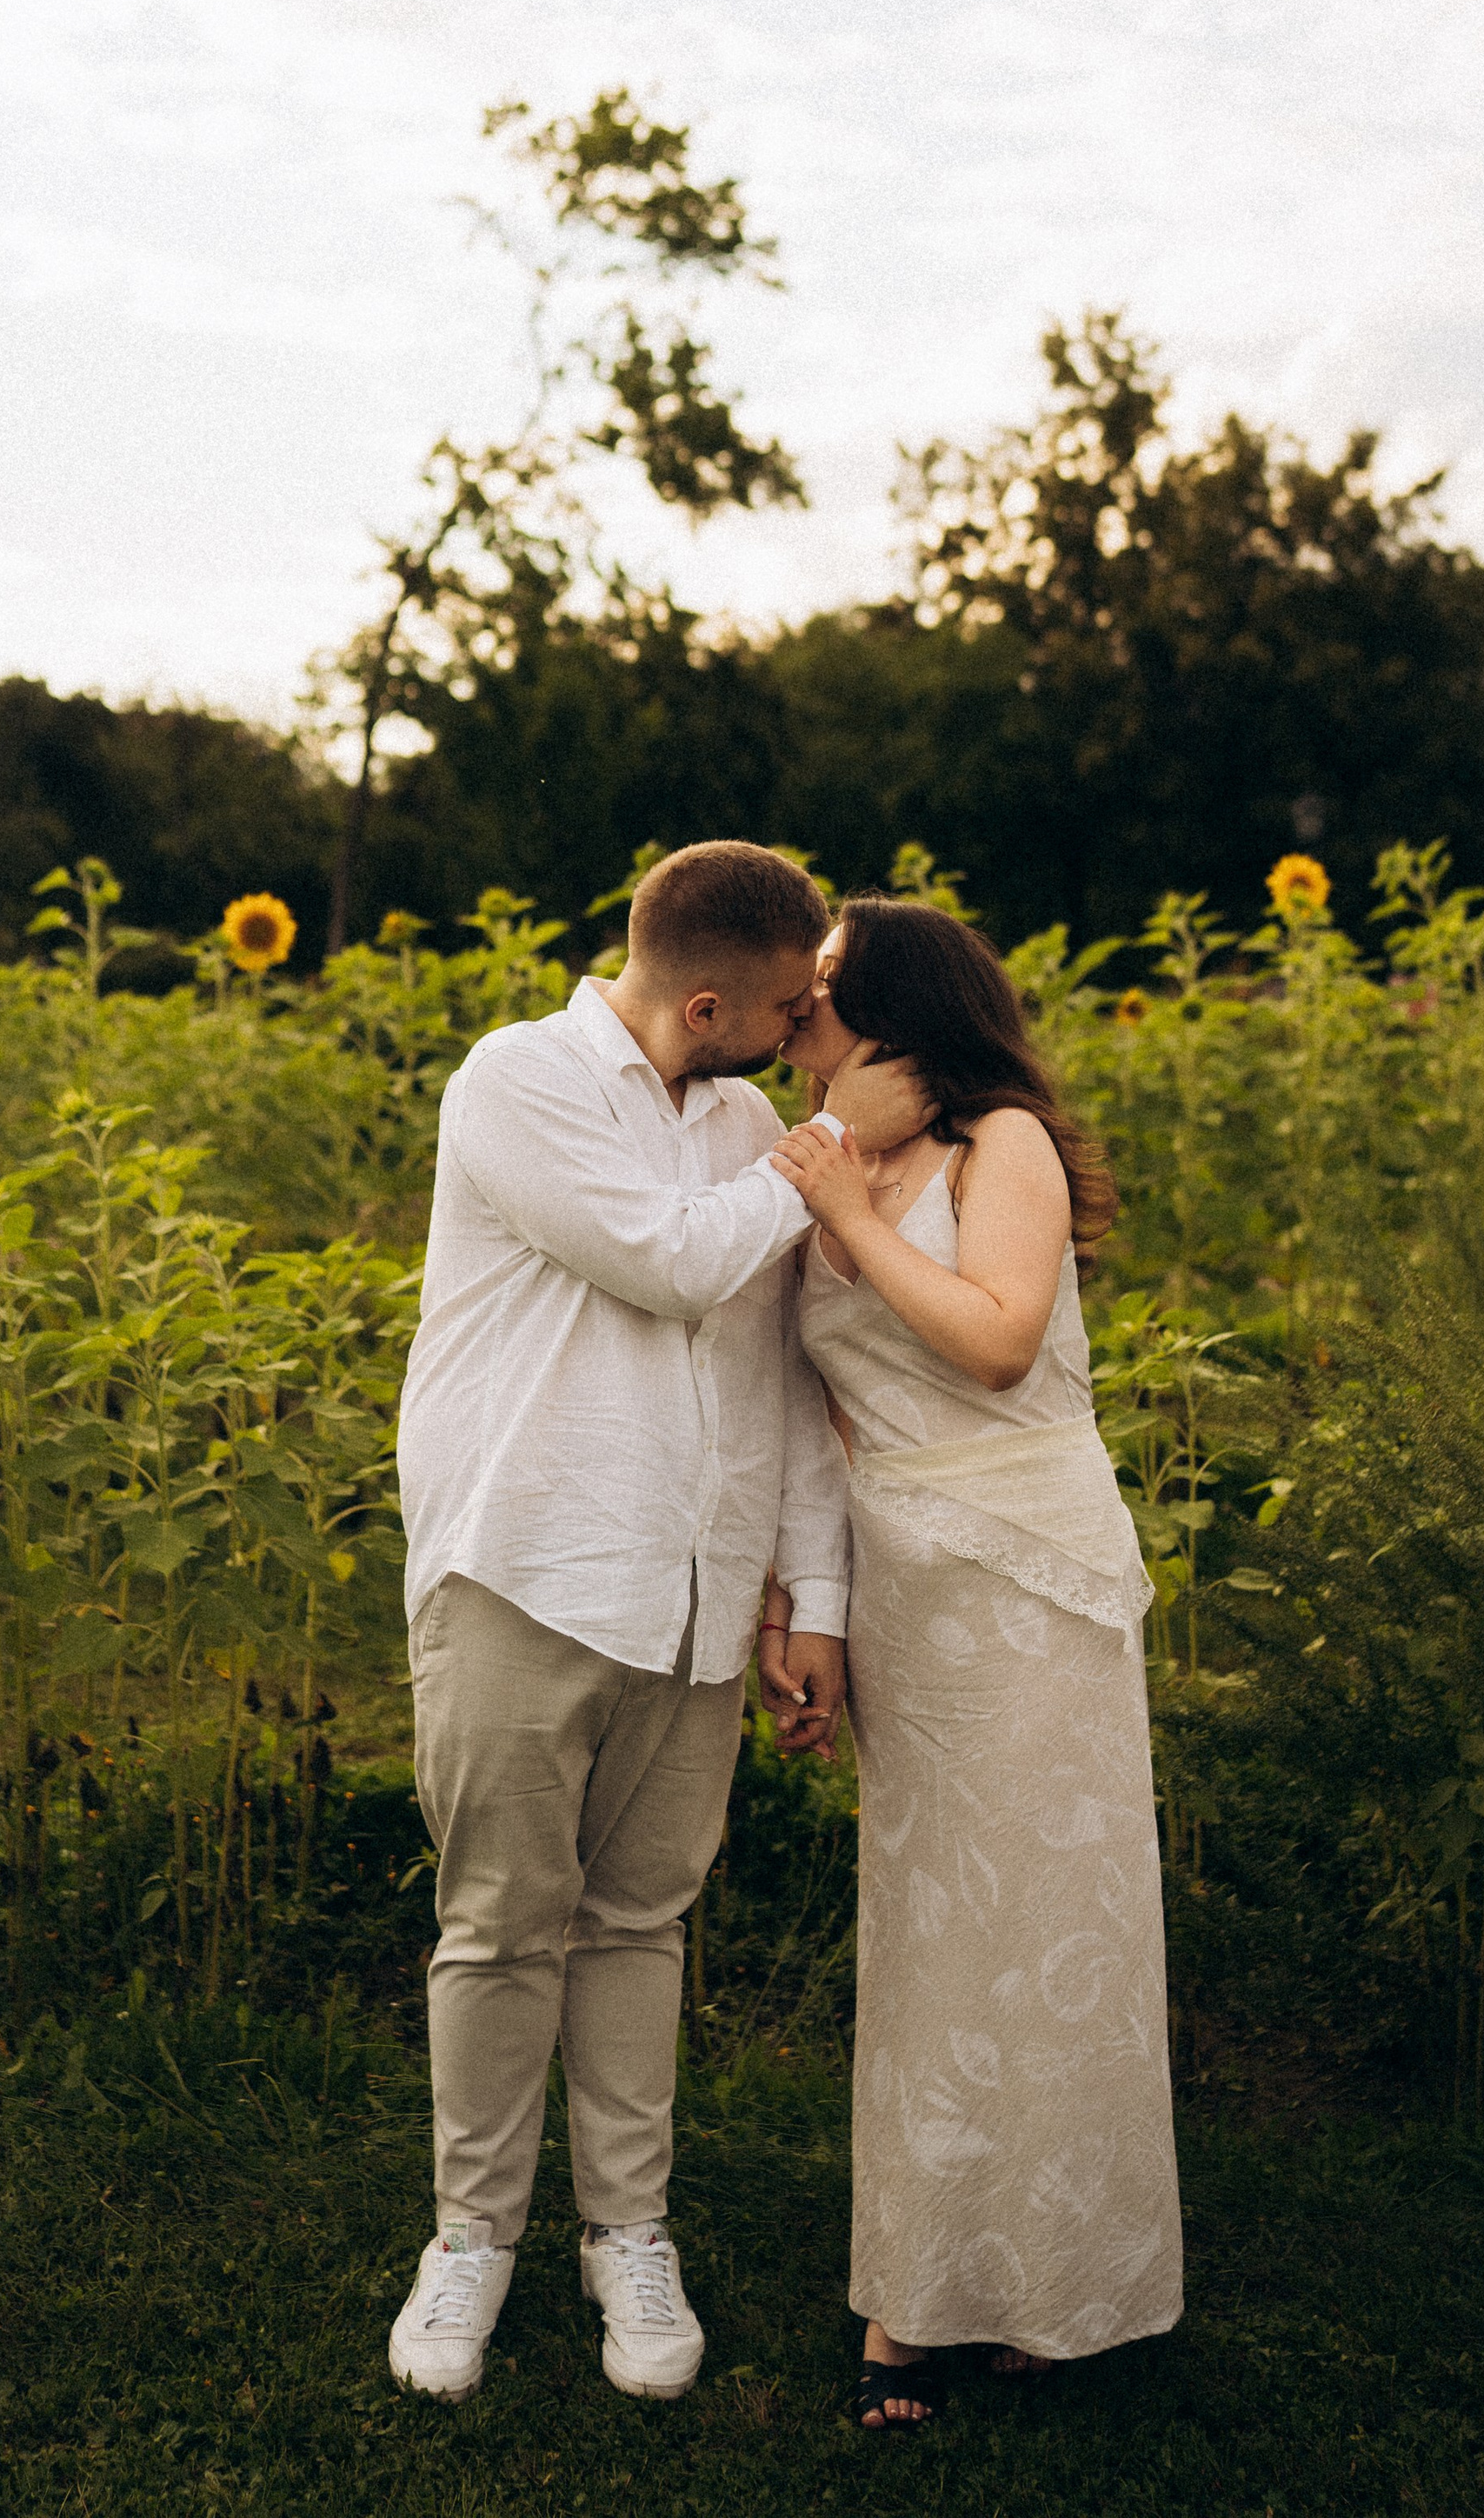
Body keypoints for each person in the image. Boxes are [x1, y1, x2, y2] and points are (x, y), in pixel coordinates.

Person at [386, 839, 923, 2408]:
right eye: (785, 1006)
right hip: (528, 1567)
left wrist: (809, 1595)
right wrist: (834, 1142)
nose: (805, 1032)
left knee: (638, 1926)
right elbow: (671, 1266)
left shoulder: (759, 1126)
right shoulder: (515, 1081)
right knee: (499, 1923)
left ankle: (629, 2231)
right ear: (706, 998)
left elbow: (784, 1374)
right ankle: (469, 2238)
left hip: (695, 1593)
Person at [772, 897, 1182, 2427]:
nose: (791, 1008)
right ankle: (920, 2300)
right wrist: (798, 1609)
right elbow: (802, 1417)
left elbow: (1002, 1340)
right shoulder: (806, 1154)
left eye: (818, 986)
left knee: (1055, 1927)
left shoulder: (994, 1142)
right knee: (935, 1936)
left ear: (894, 1005)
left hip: (1031, 1573)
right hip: (907, 1594)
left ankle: (1060, 2293)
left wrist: (855, 1213)